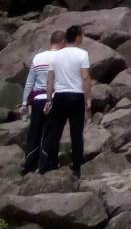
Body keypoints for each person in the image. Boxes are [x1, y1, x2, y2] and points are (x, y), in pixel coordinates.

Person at [39, 24, 93, 179]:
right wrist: (88, 98)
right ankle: (77, 168)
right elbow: (85, 77)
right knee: (76, 133)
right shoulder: (82, 54)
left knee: (55, 132)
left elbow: (50, 79)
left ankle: (51, 164)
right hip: (76, 96)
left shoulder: (56, 56)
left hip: (60, 96)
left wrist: (49, 99)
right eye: (82, 36)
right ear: (77, 37)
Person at [20, 29, 65, 175]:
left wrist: (24, 102)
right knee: (51, 133)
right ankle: (47, 165)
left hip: (37, 101)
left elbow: (29, 82)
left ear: (51, 41)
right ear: (62, 42)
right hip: (54, 99)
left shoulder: (38, 58)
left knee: (35, 132)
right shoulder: (62, 58)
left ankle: (30, 166)